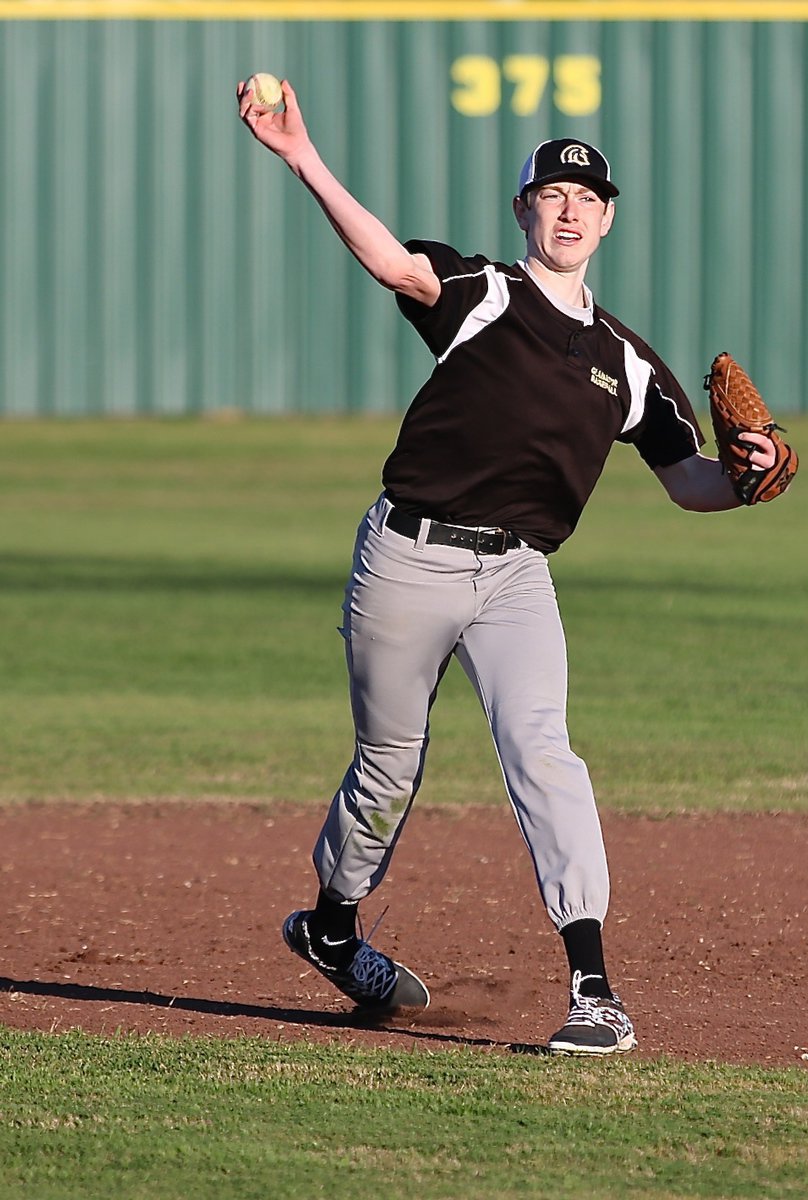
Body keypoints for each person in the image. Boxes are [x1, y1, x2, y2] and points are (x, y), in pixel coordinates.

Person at [237, 78, 778, 1055]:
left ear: (607, 221)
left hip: (517, 577)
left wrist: (745, 479)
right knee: (386, 771)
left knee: (544, 753)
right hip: (406, 556)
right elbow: (395, 264)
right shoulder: (484, 294)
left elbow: (686, 479)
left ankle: (593, 991)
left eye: (587, 197)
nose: (568, 208)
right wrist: (300, 157)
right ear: (525, 209)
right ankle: (329, 925)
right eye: (551, 193)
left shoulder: (630, 364)